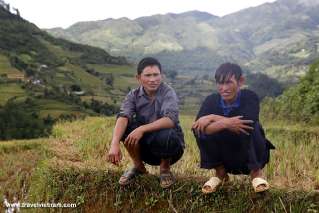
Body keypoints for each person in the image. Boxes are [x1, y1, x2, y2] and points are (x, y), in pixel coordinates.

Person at [192, 62, 275, 193]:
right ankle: (221, 173)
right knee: (200, 131)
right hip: (225, 156)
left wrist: (213, 118)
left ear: (240, 81)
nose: (224, 88)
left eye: (228, 83)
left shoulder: (250, 96)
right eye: (220, 83)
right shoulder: (211, 100)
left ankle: (256, 174)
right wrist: (226, 123)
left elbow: (247, 121)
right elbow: (197, 127)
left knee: (250, 126)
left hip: (248, 155)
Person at [107, 57, 184, 188]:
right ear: (138, 78)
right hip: (145, 150)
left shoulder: (168, 92)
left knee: (167, 132)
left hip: (170, 148)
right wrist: (114, 144)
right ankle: (138, 166)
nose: (153, 79)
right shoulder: (133, 95)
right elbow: (123, 116)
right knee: (125, 128)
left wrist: (141, 129)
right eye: (148, 75)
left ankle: (164, 169)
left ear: (162, 75)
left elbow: (170, 120)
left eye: (156, 75)